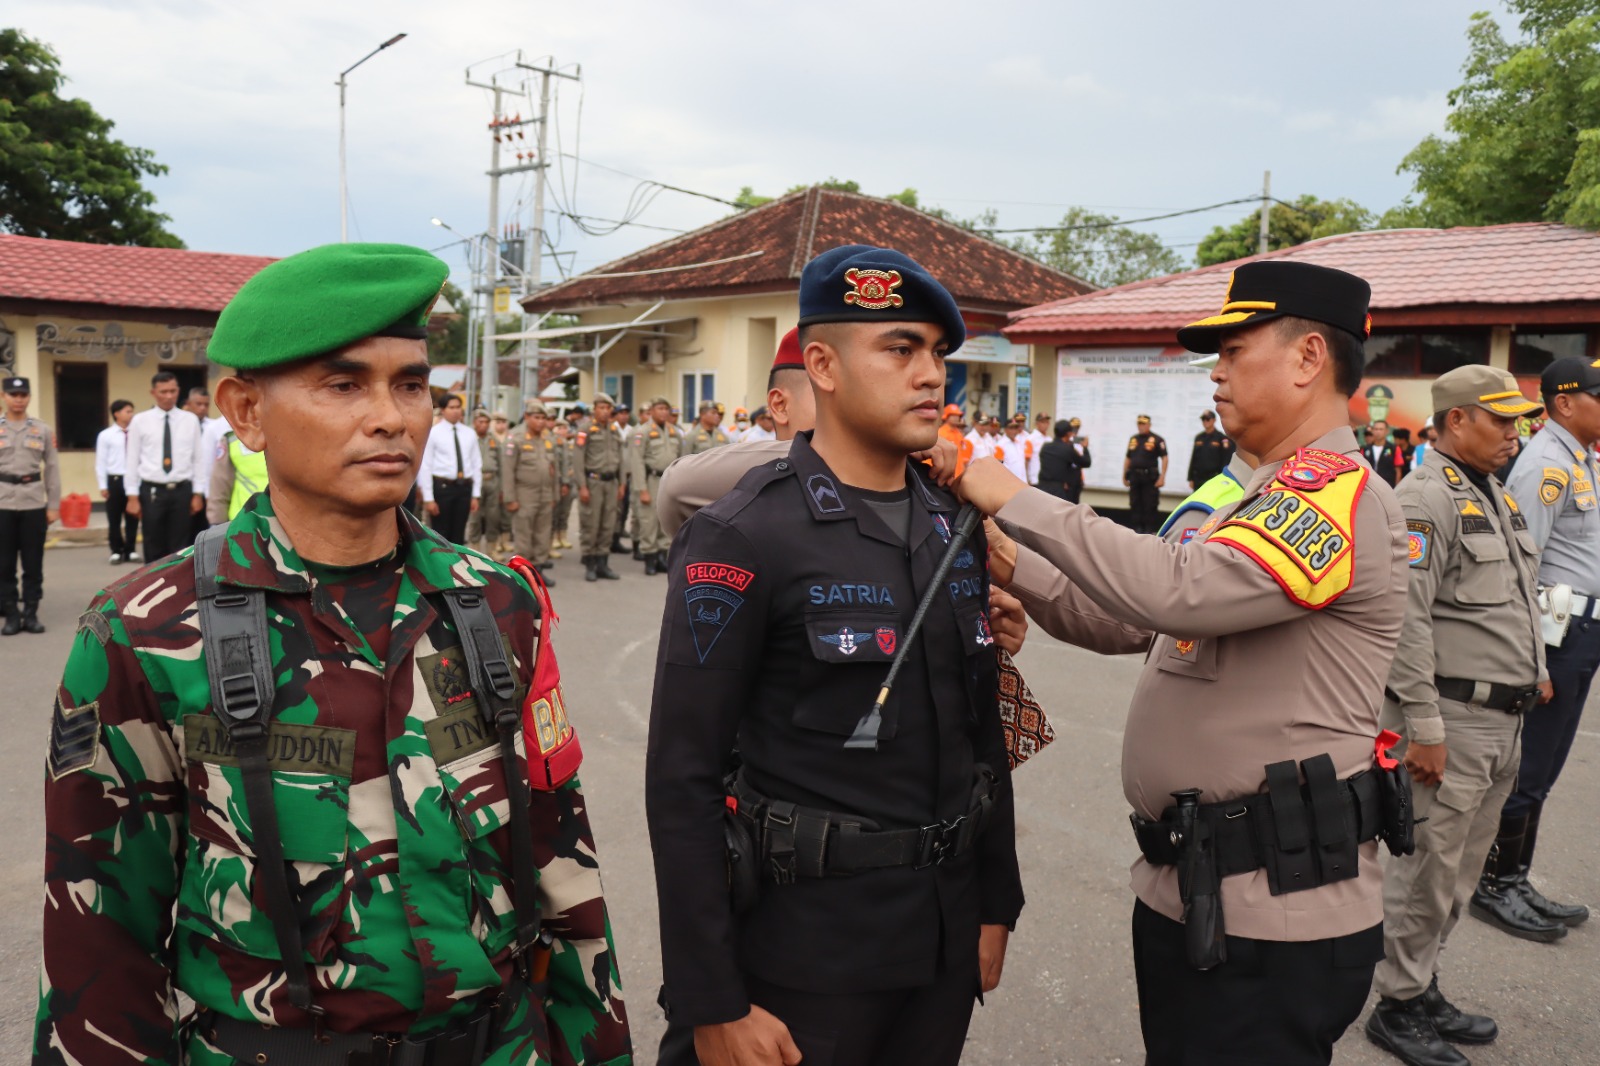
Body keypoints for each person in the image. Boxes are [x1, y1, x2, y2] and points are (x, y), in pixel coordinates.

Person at [34, 242, 631, 1062]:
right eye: (344, 385)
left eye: (411, 385)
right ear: (247, 412)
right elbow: (98, 932)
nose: (392, 417)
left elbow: (562, 864)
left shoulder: (497, 602)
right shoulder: (145, 629)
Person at [958, 259, 1408, 1066]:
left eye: (1234, 351)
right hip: (1201, 887)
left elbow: (1175, 589)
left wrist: (1009, 496)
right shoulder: (1255, 498)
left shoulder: (1335, 494)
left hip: (1274, 910)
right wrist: (1009, 561)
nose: (1217, 372)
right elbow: (1126, 615)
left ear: (1309, 357)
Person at [647, 244, 1022, 1066]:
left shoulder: (950, 524)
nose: (931, 375)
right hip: (804, 953)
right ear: (821, 365)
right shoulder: (744, 534)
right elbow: (682, 777)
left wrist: (998, 900)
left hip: (940, 935)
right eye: (900, 348)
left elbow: (981, 731)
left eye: (938, 354)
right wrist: (713, 999)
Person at [1364, 366, 1550, 1066]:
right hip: (1451, 718)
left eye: (1518, 421)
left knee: (1460, 874)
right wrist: (1427, 729)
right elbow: (1404, 624)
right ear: (1457, 420)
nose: (1514, 433)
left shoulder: (1492, 492)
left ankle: (1420, 983)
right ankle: (1396, 1004)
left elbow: (1514, 596)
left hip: (1502, 718)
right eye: (1500, 420)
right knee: (1425, 872)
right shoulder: (1423, 499)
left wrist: (1534, 670)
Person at [1471, 355, 1600, 938]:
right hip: (1556, 634)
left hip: (1581, 632)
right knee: (1528, 766)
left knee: (1545, 766)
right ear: (1565, 403)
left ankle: (1515, 878)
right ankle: (1494, 884)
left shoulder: (1580, 459)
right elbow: (1523, 566)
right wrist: (1534, 658)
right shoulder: (1547, 463)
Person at [122, 371, 206, 562]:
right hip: (152, 491)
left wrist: (198, 493)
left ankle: (178, 581)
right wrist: (132, 497)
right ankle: (154, 580)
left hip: (182, 490)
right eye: (163, 392)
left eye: (172, 391)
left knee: (181, 546)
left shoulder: (190, 420)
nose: (169, 396)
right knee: (153, 544)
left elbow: (198, 459)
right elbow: (132, 460)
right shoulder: (140, 421)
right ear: (153, 393)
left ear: (178, 391)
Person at [0, 376, 59, 636]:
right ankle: (11, 614)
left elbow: (52, 468)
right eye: (13, 395)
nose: (18, 399)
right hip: (2, 503)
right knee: (4, 564)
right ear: (4, 396)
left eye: (23, 394)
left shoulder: (42, 429)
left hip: (33, 503)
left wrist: (53, 505)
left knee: (33, 563)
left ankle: (31, 613)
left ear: (29, 397)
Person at [628, 397, 686, 575]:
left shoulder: (674, 431)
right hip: (651, 479)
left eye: (666, 409)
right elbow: (637, 461)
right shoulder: (642, 432)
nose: (663, 412)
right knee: (649, 520)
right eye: (660, 408)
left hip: (669, 480)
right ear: (652, 411)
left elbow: (681, 458)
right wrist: (642, 489)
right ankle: (649, 558)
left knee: (665, 519)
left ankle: (663, 556)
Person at [504, 402, 558, 584]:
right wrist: (510, 498)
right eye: (536, 417)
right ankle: (523, 575)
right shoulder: (516, 438)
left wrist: (554, 495)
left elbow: (554, 469)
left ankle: (538, 570)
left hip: (545, 493)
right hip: (525, 493)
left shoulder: (548, 438)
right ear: (527, 417)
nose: (541, 422)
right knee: (524, 535)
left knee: (543, 533)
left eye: (543, 418)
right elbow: (508, 471)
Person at [417, 394, 481, 545]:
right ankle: (441, 561)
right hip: (443, 488)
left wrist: (475, 495)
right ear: (443, 410)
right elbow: (426, 465)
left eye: (458, 407)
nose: (456, 411)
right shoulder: (434, 433)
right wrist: (428, 498)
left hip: (464, 488)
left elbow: (476, 464)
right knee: (441, 533)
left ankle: (457, 560)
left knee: (459, 533)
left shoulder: (469, 433)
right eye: (451, 407)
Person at [577, 392, 625, 582]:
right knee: (591, 523)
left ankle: (603, 563)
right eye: (601, 408)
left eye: (608, 408)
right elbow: (578, 459)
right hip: (593, 482)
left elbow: (621, 458)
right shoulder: (585, 430)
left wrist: (622, 483)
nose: (605, 411)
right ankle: (590, 563)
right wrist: (582, 486)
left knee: (608, 524)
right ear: (594, 409)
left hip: (611, 482)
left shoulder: (614, 430)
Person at [95, 399, 140, 564]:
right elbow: (101, 462)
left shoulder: (136, 433)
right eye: (128, 411)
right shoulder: (106, 435)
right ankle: (116, 550)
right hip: (115, 479)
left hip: (133, 479)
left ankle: (131, 550)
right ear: (116, 414)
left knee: (133, 516)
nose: (131, 414)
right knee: (114, 517)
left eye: (132, 411)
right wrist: (103, 485)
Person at [203, 425, 270, 525]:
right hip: (244, 521)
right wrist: (217, 521)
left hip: (281, 520)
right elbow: (220, 484)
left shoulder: (288, 433)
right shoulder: (231, 439)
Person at [465, 406, 508, 556]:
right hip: (475, 481)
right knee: (475, 518)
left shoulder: (493, 440)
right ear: (474, 422)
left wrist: (502, 488)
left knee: (493, 517)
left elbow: (501, 464)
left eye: (486, 422)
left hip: (493, 481)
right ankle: (474, 551)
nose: (483, 425)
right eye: (480, 421)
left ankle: (491, 549)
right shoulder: (469, 438)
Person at [1123, 413, 1167, 534]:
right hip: (1135, 477)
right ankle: (1136, 529)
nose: (1141, 426)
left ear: (1149, 425)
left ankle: (1149, 530)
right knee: (1135, 502)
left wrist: (1162, 476)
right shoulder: (1134, 439)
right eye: (1139, 424)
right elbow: (1128, 458)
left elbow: (1164, 458)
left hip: (1149, 478)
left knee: (1150, 504)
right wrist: (1124, 475)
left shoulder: (1157, 439)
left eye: (1143, 424)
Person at [1036, 418, 1092, 503]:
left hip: (1042, 489)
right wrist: (1085, 447)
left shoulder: (1045, 447)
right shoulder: (1067, 449)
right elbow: (1086, 462)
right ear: (1068, 434)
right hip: (1058, 491)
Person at [1187, 409, 1234, 490]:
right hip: (1198, 478)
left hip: (1213, 478)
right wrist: (1190, 478)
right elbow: (1194, 458)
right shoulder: (1199, 437)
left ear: (1214, 420)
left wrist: (1223, 478)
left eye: (1208, 419)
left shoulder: (1221, 438)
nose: (1205, 421)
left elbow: (1225, 460)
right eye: (1203, 419)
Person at [551, 419, 577, 555]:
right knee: (555, 512)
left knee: (565, 511)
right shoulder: (552, 444)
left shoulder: (570, 445)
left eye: (564, 428)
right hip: (557, 482)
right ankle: (554, 537)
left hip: (570, 482)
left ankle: (563, 536)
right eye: (559, 428)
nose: (562, 431)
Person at [993, 416, 1033, 482]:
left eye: (1015, 428)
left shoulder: (1018, 443)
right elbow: (997, 467)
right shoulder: (1000, 445)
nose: (1014, 431)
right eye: (1011, 428)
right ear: (1005, 430)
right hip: (1009, 483)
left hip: (1022, 481)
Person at [1366, 419, 1401, 488]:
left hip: (1387, 486)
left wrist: (1396, 489)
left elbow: (1398, 471)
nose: (1378, 432)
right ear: (1372, 431)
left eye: (1381, 429)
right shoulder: (1365, 449)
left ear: (1387, 431)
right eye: (1376, 429)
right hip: (1369, 487)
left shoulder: (1394, 448)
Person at [1025, 412, 1051, 486]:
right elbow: (1026, 460)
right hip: (1035, 479)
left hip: (1047, 479)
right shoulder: (1031, 439)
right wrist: (1027, 479)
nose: (1045, 424)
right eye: (1043, 422)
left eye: (1047, 422)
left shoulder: (1049, 439)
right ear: (1037, 423)